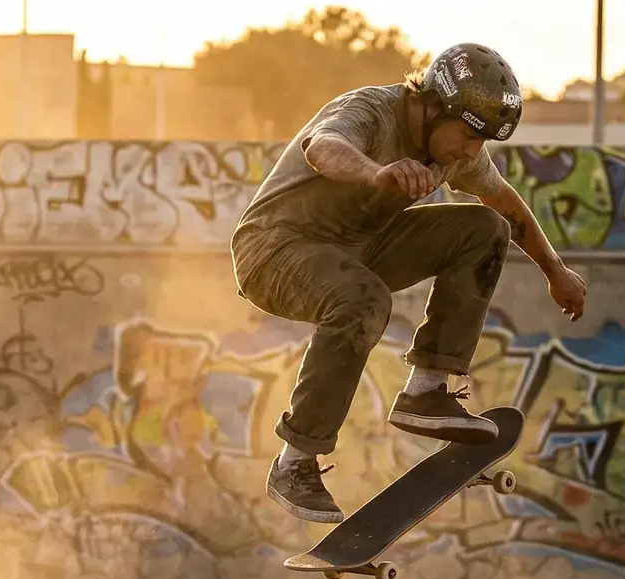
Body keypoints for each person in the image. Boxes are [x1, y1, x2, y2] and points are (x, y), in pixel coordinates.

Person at [229, 42, 589, 524]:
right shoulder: (371, 111)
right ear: (434, 106)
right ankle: (294, 463)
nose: (470, 150)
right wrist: (376, 172)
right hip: (274, 250)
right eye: (466, 135)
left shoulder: (458, 153)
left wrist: (555, 271)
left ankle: (426, 390)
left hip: (358, 248)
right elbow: (323, 148)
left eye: (481, 142)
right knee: (363, 300)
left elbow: (504, 201)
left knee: (485, 229)